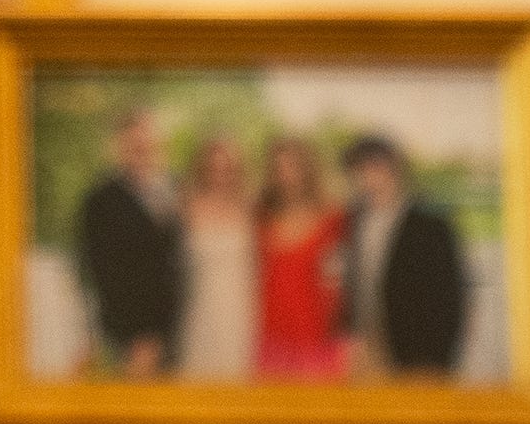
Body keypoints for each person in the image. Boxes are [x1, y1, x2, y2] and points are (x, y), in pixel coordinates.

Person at [340, 135, 468, 377]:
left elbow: (451, 298)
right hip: (367, 351)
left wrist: (438, 359)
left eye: (376, 166)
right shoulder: (353, 222)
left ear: (396, 167)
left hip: (418, 355)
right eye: (360, 169)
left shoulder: (431, 226)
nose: (369, 176)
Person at [73, 112, 184, 378]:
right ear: (120, 145)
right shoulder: (101, 201)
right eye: (135, 144)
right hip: (135, 337)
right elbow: (105, 274)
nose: (143, 149)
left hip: (176, 330)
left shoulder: (172, 188)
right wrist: (139, 338)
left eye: (148, 142)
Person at [253, 136, 351, 381]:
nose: (286, 175)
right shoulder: (259, 219)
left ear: (308, 170)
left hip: (318, 342)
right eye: (279, 168)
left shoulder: (333, 220)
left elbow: (346, 283)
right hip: (269, 341)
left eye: (293, 166)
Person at [176, 135, 260, 384]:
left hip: (243, 312)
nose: (220, 174)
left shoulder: (252, 208)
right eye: (213, 167)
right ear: (202, 169)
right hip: (198, 312)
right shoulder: (185, 207)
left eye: (227, 168)